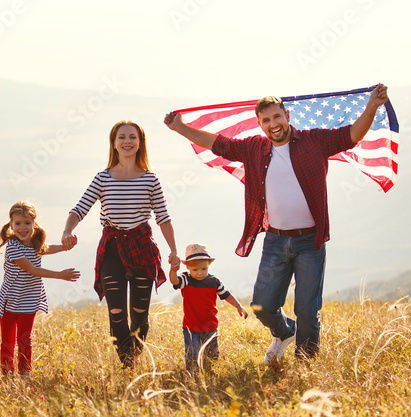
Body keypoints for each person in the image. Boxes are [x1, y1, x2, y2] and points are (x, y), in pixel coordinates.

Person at [164, 84, 389, 361]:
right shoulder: (254, 149)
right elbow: (217, 144)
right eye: (266, 120)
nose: (273, 124)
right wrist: (180, 128)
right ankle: (285, 332)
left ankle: (306, 361)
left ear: (288, 115)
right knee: (262, 305)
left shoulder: (314, 141)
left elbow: (352, 135)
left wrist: (372, 107)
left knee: (307, 308)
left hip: (310, 241)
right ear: (260, 124)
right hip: (275, 240)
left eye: (277, 117)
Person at [61, 120, 181, 368]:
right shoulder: (102, 178)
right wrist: (67, 230)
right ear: (114, 144)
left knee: (140, 316)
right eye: (122, 137)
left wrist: (174, 250)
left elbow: (163, 217)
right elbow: (80, 208)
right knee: (117, 313)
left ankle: (134, 354)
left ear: (140, 143)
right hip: (112, 249)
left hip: (142, 247)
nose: (127, 141)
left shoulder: (150, 179)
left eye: (132, 137)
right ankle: (128, 366)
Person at [0, 201, 80, 378]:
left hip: (29, 301)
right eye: (18, 224)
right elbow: (32, 269)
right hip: (9, 301)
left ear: (34, 224)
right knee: (8, 342)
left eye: (27, 223)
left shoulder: (34, 243)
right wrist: (60, 275)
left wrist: (66, 246)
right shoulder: (12, 247)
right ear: (11, 225)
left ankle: (25, 373)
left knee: (25, 340)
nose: (22, 228)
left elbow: (45, 248)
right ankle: (7, 375)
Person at [169, 243, 249, 374]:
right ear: (188, 267)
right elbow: (174, 281)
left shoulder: (214, 281)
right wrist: (173, 270)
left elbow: (226, 295)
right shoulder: (186, 279)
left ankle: (209, 373)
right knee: (193, 353)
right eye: (195, 270)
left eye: (203, 269)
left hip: (210, 326)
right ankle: (192, 374)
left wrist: (238, 306)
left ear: (208, 266)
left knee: (211, 354)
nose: (200, 273)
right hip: (191, 327)